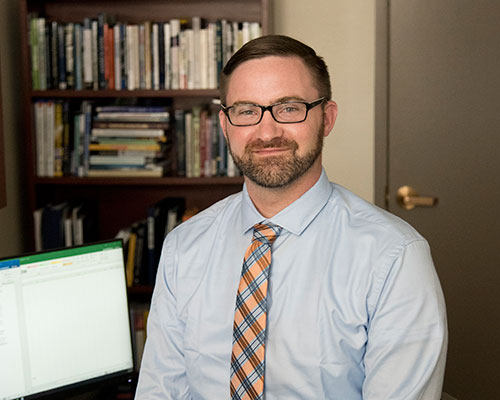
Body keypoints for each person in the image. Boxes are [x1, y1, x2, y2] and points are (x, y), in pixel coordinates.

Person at [135, 35, 447, 400]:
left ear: (326, 118)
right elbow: (161, 390)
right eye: (248, 110)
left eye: (289, 108)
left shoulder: (394, 257)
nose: (267, 132)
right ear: (225, 125)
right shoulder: (184, 246)